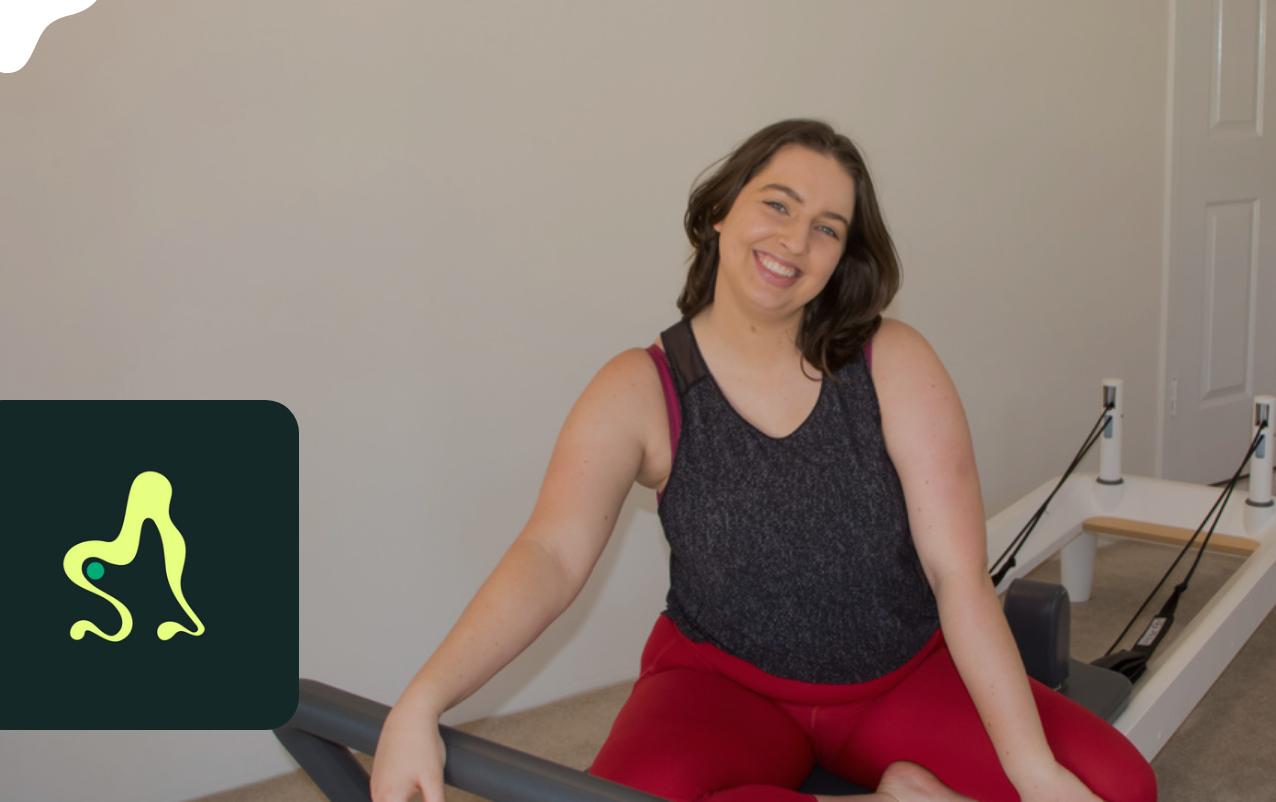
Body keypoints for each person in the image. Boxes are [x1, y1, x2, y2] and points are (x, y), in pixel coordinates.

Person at [369, 120, 1157, 802]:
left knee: (1116, 787)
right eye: (778, 204)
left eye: (827, 227)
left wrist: (1033, 771)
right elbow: (551, 553)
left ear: (842, 255)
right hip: (722, 687)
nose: (795, 240)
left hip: (898, 676)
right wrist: (420, 702)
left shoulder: (893, 360)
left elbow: (958, 575)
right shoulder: (642, 387)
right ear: (721, 210)